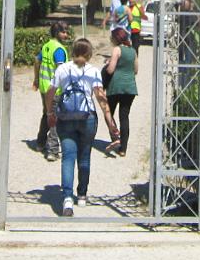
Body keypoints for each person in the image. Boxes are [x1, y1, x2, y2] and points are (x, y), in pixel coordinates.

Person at [45, 37, 118, 217]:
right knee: (84, 157)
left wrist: (49, 113)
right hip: (88, 118)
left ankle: (67, 199)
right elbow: (101, 98)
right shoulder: (92, 71)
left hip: (66, 117)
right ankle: (83, 194)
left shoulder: (62, 69)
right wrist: (111, 123)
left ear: (72, 52)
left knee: (68, 157)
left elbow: (50, 92)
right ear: (89, 54)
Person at [32, 21, 69, 161]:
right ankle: (52, 150)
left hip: (43, 86)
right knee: (54, 117)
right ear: (56, 33)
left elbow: (37, 61)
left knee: (46, 113)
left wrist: (36, 79)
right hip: (54, 89)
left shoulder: (46, 46)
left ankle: (40, 143)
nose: (66, 34)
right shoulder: (59, 49)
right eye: (64, 32)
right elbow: (61, 70)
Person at [103, 27, 138, 157]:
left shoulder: (117, 49)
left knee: (109, 113)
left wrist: (108, 63)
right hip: (130, 88)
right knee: (124, 117)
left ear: (116, 38)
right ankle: (123, 148)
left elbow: (110, 70)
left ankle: (115, 136)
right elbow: (135, 70)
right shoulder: (133, 51)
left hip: (115, 87)